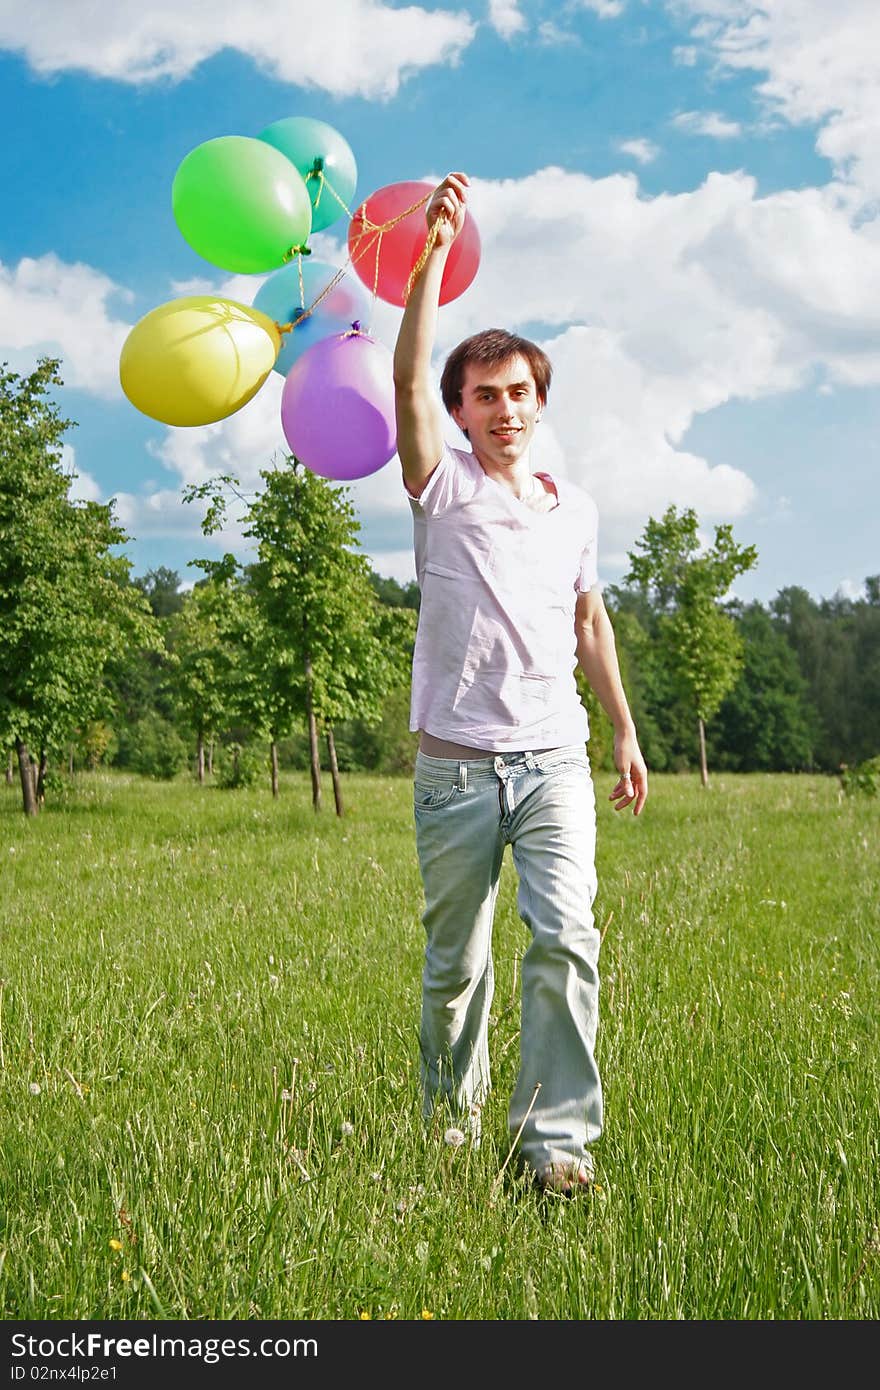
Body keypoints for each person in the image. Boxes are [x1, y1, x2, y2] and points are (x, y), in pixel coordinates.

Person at [393, 171, 648, 1195]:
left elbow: (590, 619)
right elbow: (406, 378)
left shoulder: (572, 508)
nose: (504, 408)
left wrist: (623, 733)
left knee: (566, 937)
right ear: (459, 411)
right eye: (484, 395)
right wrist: (428, 258)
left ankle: (553, 1143)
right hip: (455, 773)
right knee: (456, 968)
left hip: (556, 760)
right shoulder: (439, 483)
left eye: (519, 394)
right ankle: (449, 1124)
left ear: (540, 405)